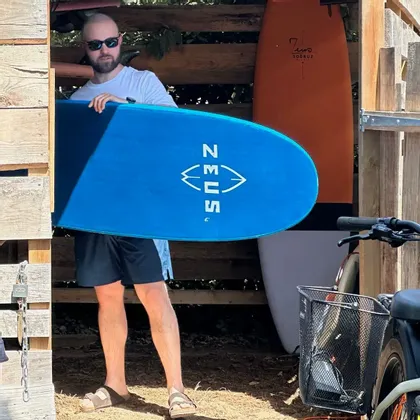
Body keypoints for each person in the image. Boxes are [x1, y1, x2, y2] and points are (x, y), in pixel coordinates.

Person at [68, 12, 197, 419]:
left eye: (110, 42)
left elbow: (175, 127)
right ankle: (116, 385)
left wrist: (127, 107)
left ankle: (177, 391)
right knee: (107, 297)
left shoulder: (143, 83)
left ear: (121, 41)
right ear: (85, 49)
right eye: (95, 45)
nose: (104, 51)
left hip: (141, 210)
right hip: (96, 213)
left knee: (153, 295)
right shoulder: (75, 101)